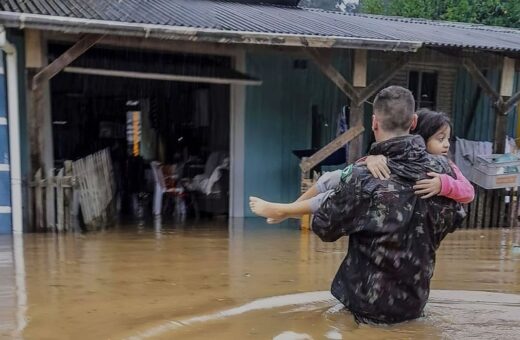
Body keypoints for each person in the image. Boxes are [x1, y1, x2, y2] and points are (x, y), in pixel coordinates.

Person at [249, 109, 474, 223]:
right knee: (332, 178)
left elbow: (469, 192)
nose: (445, 145)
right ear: (419, 134)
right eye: (440, 138)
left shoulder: (445, 167)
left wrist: (443, 184)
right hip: (389, 205)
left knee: (337, 195)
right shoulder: (394, 153)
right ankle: (291, 210)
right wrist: (371, 159)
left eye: (447, 140)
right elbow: (360, 169)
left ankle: (286, 211)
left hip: (399, 212)